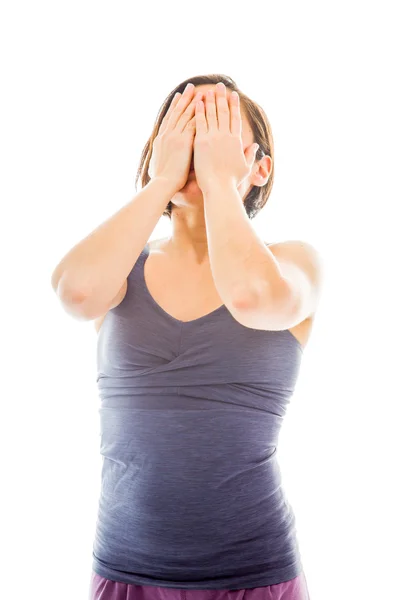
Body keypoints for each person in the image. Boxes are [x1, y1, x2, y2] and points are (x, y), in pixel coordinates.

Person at [52, 74, 318, 600]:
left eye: (218, 133)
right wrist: (160, 183)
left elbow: (249, 296)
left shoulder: (292, 262)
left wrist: (220, 184)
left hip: (255, 573)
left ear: (259, 167)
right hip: (125, 569)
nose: (202, 147)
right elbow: (76, 294)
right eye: (187, 133)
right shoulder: (121, 264)